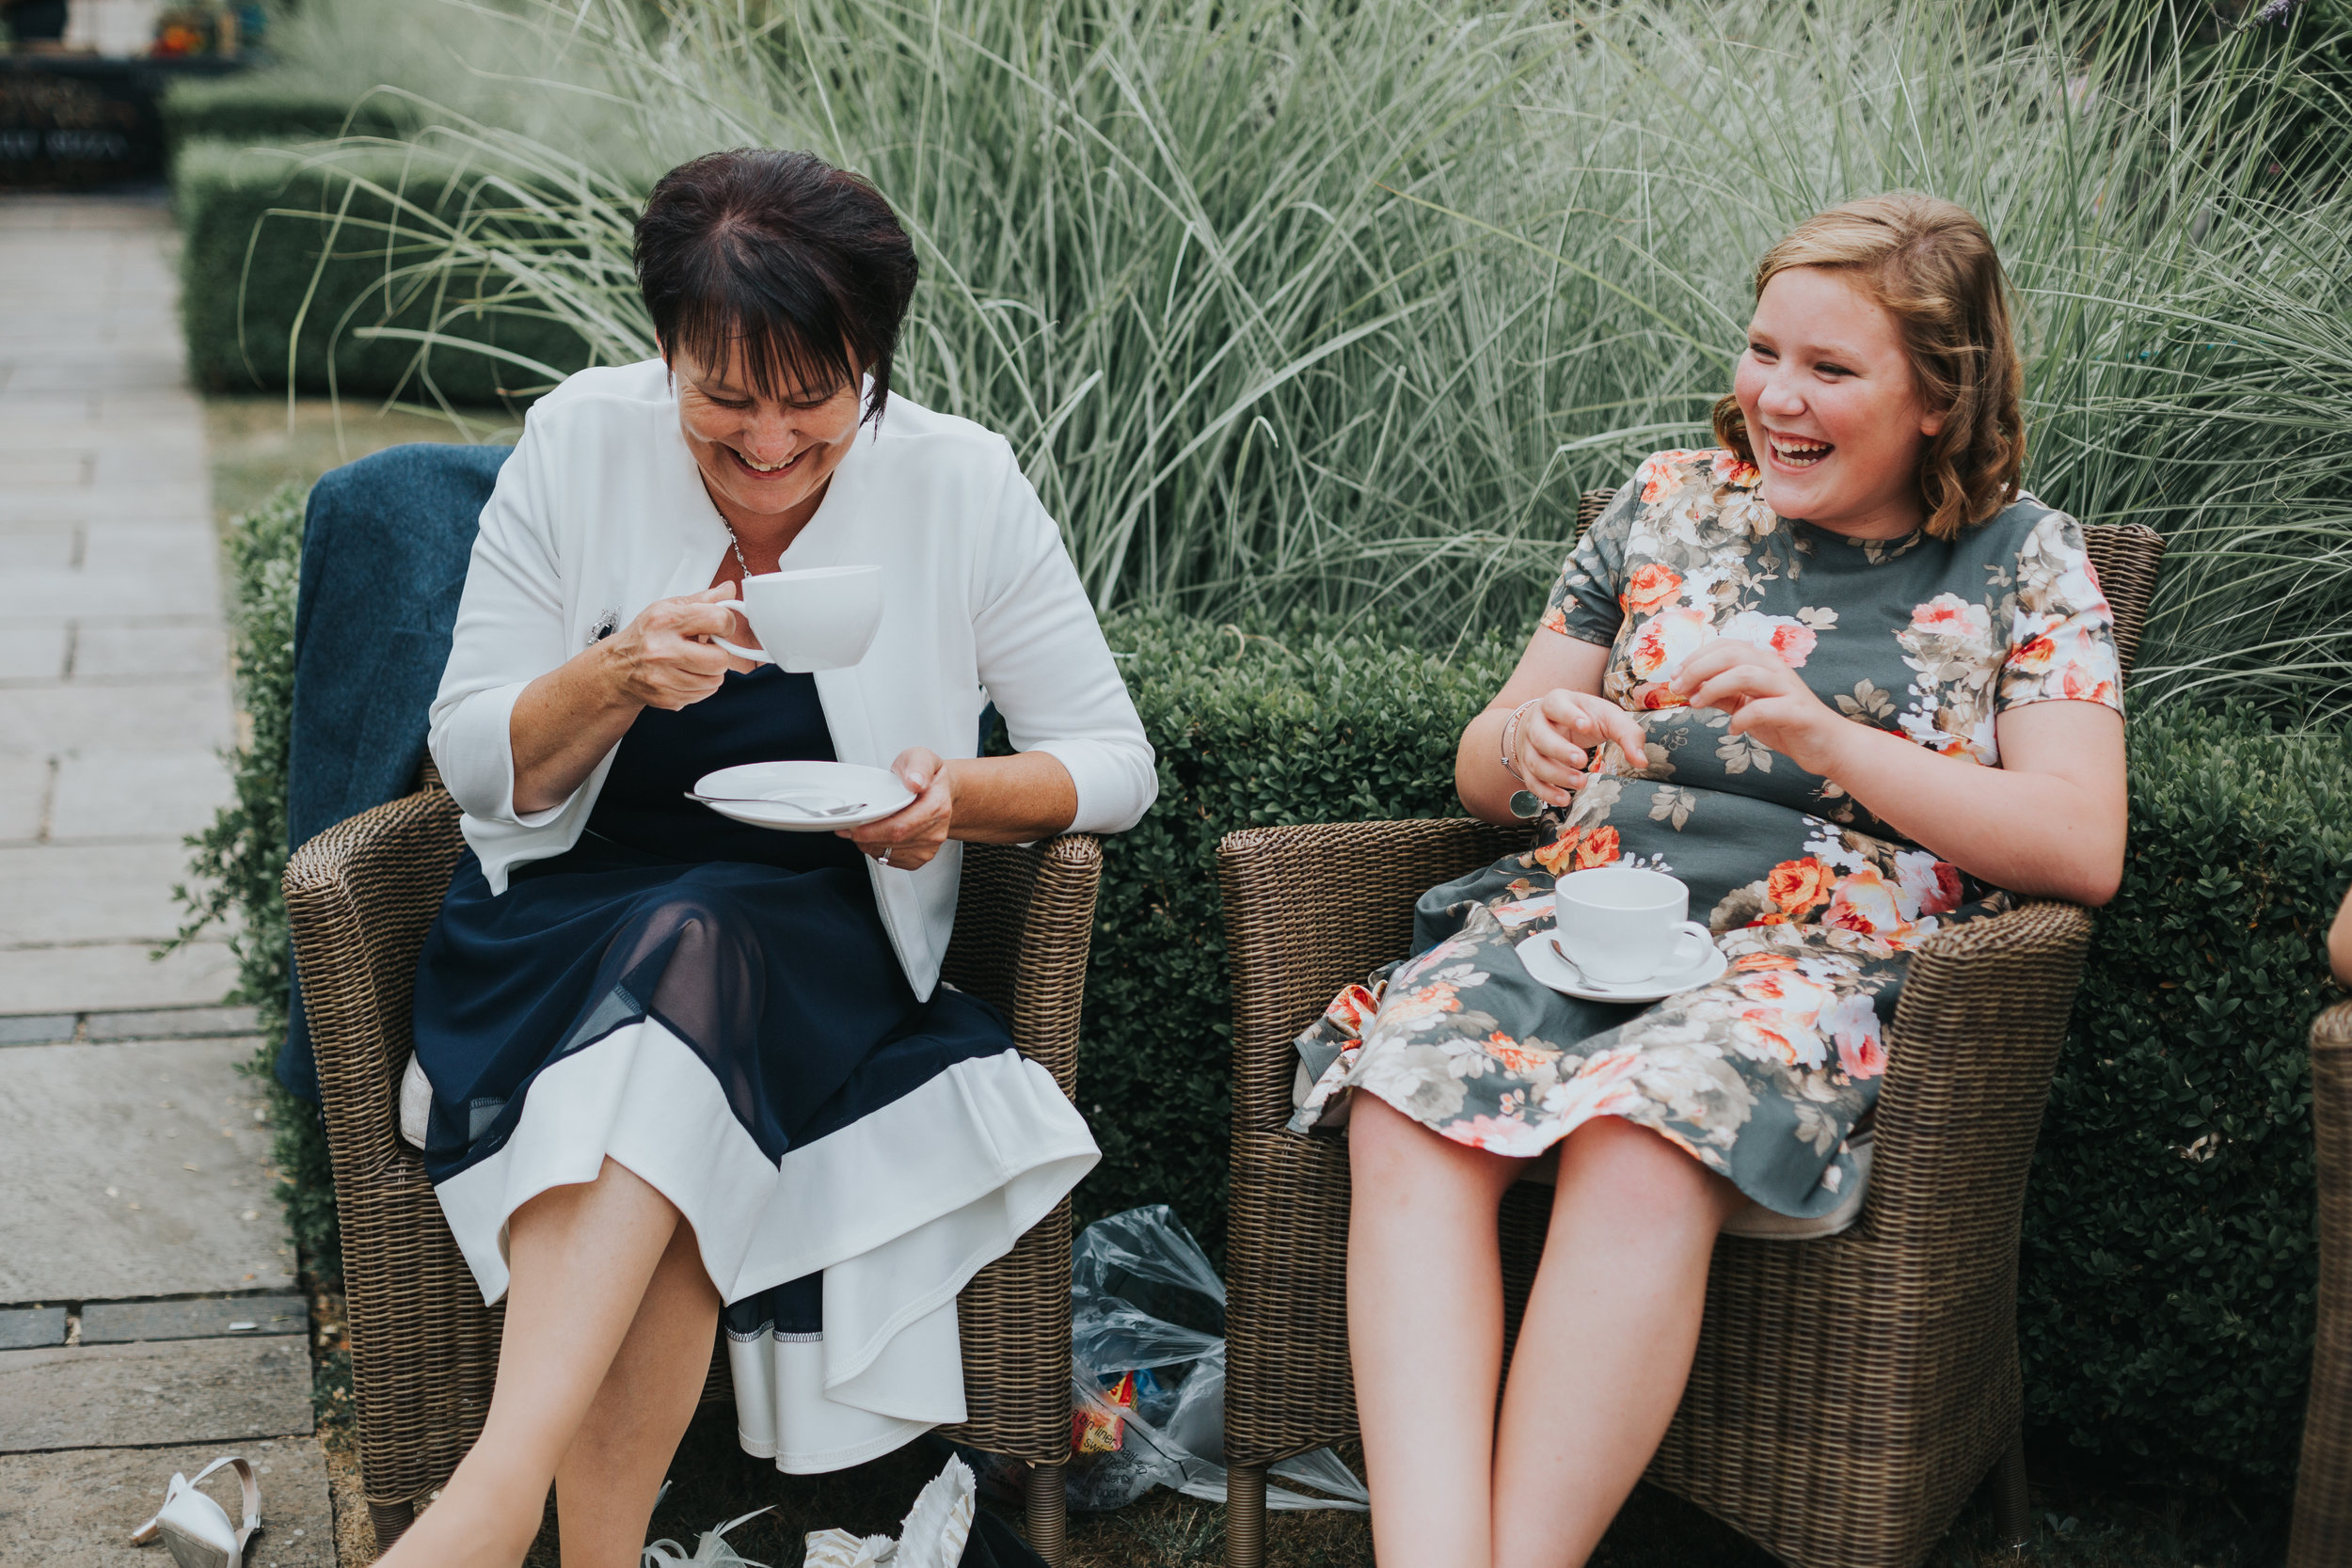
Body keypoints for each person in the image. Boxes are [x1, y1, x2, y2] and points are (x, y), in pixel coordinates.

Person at [1292, 193, 2128, 1567]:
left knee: (1645, 1135)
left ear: (1939, 395)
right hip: (1577, 923)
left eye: (1830, 370)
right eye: (1763, 353)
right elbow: (1484, 772)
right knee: (1405, 1104)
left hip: (1816, 961)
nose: (1773, 399)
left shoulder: (2022, 558)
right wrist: (1530, 742)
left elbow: (2080, 845)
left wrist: (1822, 735)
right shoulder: (1665, 502)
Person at [384, 149, 1155, 1568]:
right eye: (722, 398)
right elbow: (474, 758)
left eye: (814, 402)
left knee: (705, 955)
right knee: (677, 1017)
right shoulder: (578, 440)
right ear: (664, 348)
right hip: (558, 925)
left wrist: (957, 797)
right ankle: (539, 1531)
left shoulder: (960, 482)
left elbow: (1114, 761)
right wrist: (610, 673)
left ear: (874, 367)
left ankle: (493, 1512)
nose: (765, 445)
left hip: (824, 932)